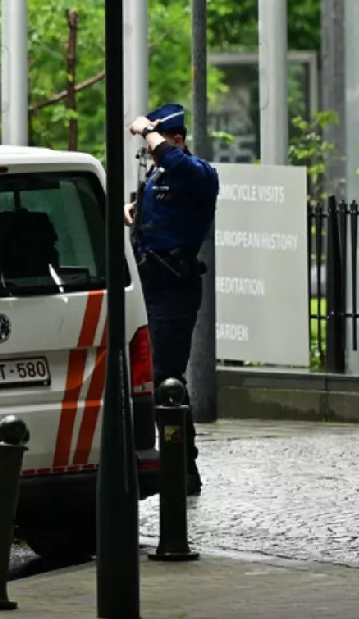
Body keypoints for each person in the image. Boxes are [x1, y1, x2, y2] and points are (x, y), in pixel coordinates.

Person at [123, 103, 219, 493]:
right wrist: (133, 212)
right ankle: (180, 467)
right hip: (149, 286)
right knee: (156, 378)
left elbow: (178, 167)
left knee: (166, 379)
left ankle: (183, 468)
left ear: (176, 140)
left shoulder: (198, 173)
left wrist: (148, 131)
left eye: (156, 143)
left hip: (174, 289)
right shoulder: (160, 175)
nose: (151, 152)